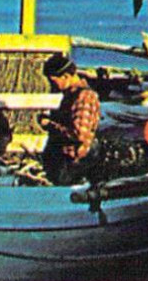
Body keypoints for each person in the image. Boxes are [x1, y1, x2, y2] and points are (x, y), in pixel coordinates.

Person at [37, 52, 101, 185]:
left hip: (73, 165)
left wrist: (50, 125)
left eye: (53, 81)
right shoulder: (71, 95)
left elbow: (79, 134)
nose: (52, 86)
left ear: (66, 76)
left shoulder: (84, 97)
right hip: (64, 162)